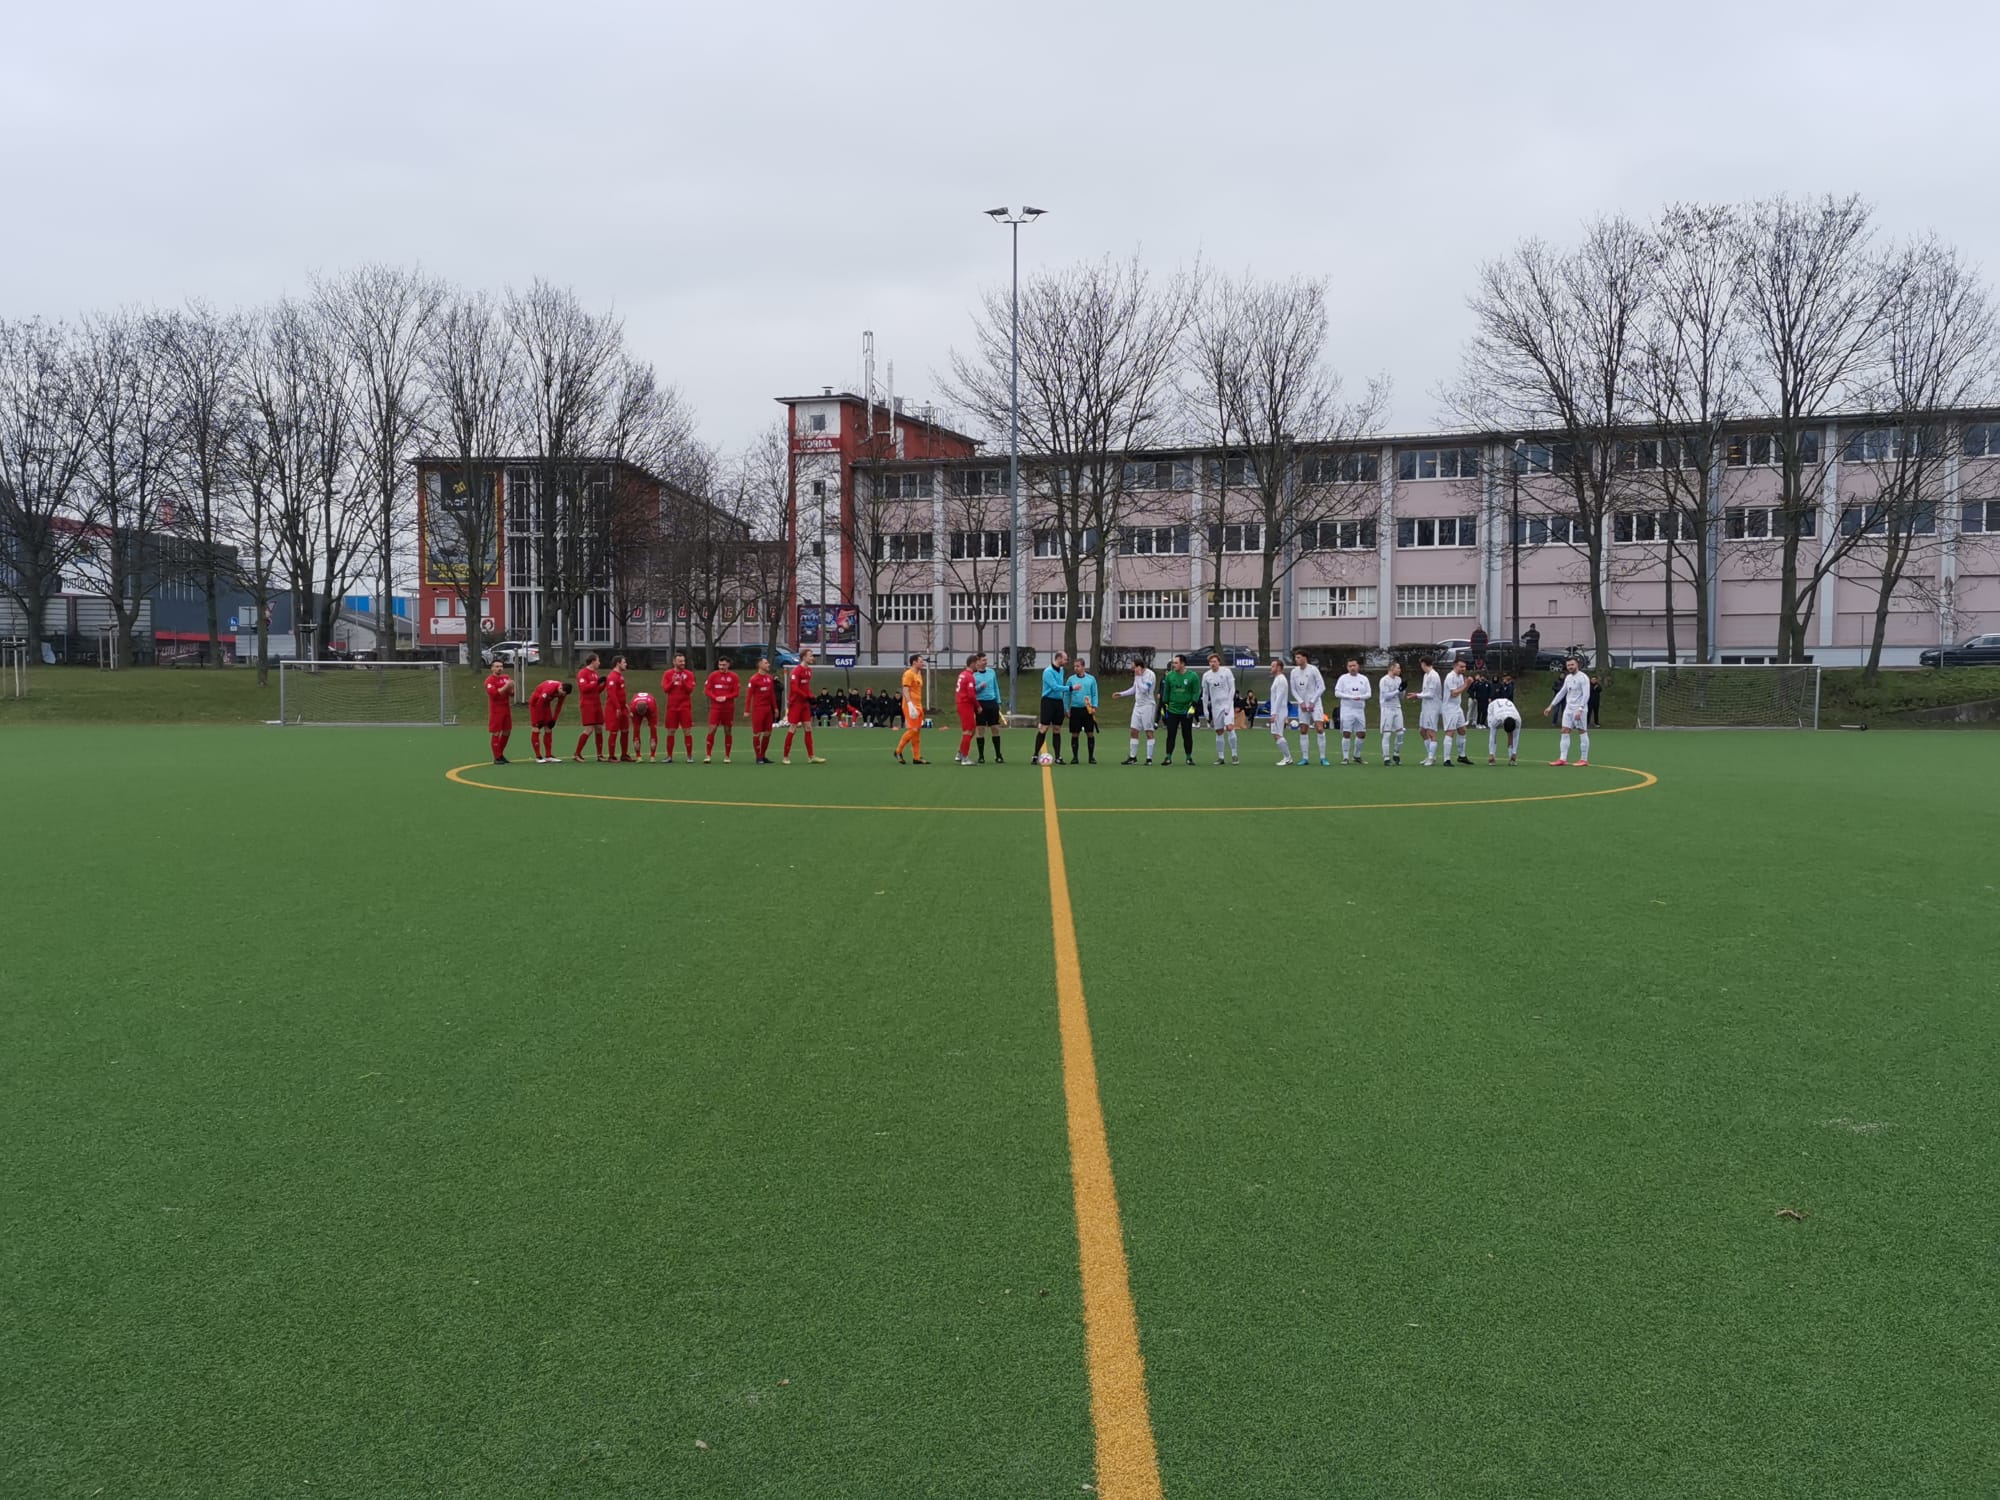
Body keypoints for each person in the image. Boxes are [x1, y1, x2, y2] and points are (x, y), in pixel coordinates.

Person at [1546, 656, 1592, 766]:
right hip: (1568, 708)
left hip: (1579, 709)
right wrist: (1551, 706)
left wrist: (1580, 709)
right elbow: (1562, 692)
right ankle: (1562, 759)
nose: (1570, 667)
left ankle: (1584, 759)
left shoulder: (1583, 678)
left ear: (1577, 665)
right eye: (1568, 665)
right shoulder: (1568, 678)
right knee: (1564, 730)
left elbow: (1586, 695)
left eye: (1572, 664)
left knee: (1582, 731)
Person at [782, 648, 825, 764]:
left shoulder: (809, 670)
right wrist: (807, 696)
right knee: (793, 728)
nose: (812, 658)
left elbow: (806, 687)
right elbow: (795, 689)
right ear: (804, 657)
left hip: (804, 703)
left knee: (808, 727)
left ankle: (811, 756)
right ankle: (785, 757)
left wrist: (812, 697)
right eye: (810, 656)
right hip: (796, 703)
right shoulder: (796, 671)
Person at [1115, 658, 1159, 765]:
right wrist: (1121, 694)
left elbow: (1144, 689)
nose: (1133, 669)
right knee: (1133, 730)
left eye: (1134, 667)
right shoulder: (1137, 675)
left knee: (1149, 732)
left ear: (1140, 666)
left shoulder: (1149, 675)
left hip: (1148, 705)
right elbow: (1135, 688)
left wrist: (1139, 676)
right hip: (1138, 705)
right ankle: (1132, 757)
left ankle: (1149, 759)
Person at [1159, 654, 1201, 765]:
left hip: (1186, 711)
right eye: (1173, 663)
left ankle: (1188, 757)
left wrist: (1193, 706)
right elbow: (1166, 692)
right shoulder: (1169, 676)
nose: (1174, 665)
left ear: (1183, 664)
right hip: (1172, 710)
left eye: (1176, 663)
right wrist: (1164, 707)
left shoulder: (1193, 676)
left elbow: (1196, 692)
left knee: (1187, 734)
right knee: (1171, 734)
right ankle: (1168, 757)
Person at [1289, 650, 1328, 766]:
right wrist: (1300, 702)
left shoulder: (1313, 670)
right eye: (1296, 658)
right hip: (1302, 705)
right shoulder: (1294, 672)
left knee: (1319, 729)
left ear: (1305, 658)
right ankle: (1305, 758)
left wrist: (1312, 701)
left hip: (1315, 703)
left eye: (1299, 657)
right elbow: (1293, 689)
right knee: (1303, 730)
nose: (1297, 660)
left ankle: (1323, 758)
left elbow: (1322, 687)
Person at [1330, 658, 1370, 765]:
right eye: (1350, 666)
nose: (1352, 668)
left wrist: (1359, 697)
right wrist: (1350, 697)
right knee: (1346, 733)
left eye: (1354, 665)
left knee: (1361, 734)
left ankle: (1356, 755)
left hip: (1359, 709)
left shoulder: (1364, 679)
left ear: (1358, 666)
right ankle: (1345, 757)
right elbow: (1337, 693)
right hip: (1347, 709)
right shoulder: (1343, 679)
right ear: (1347, 667)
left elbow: (1368, 694)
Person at [1201, 652, 1239, 765]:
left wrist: (1229, 704)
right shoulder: (1206, 676)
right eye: (1210, 662)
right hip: (1215, 707)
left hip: (1227, 704)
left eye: (1214, 661)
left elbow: (1232, 688)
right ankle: (1221, 757)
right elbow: (1205, 694)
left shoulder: (1226, 672)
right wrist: (1205, 710)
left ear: (1219, 662)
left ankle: (1234, 754)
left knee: (1229, 727)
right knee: (1219, 731)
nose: (1212, 664)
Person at [1033, 650, 1070, 763]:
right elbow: (1055, 687)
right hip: (1048, 702)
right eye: (1065, 659)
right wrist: (1071, 688)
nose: (1066, 661)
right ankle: (1035, 755)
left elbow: (1060, 688)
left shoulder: (1062, 670)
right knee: (1044, 728)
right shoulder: (1048, 672)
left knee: (1057, 729)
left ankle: (1058, 757)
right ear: (1058, 658)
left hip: (1058, 702)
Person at [703, 655, 741, 763]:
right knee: (712, 729)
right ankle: (708, 755)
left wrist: (726, 697)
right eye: (720, 665)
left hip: (728, 708)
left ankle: (727, 756)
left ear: (728, 665)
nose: (721, 667)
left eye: (724, 665)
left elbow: (736, 692)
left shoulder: (733, 676)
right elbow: (707, 690)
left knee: (728, 730)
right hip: (715, 707)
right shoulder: (713, 675)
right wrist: (715, 697)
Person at [661, 653, 697, 763]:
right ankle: (669, 756)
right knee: (671, 731)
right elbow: (665, 689)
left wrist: (683, 681)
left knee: (687, 731)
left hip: (685, 707)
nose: (683, 663)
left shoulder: (689, 674)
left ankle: (689, 756)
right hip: (672, 707)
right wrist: (673, 681)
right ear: (674, 662)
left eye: (683, 661)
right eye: (680, 661)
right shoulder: (667, 674)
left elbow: (690, 690)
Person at [895, 653, 929, 764]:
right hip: (910, 705)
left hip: (918, 705)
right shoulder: (908, 674)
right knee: (913, 729)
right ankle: (898, 751)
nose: (922, 663)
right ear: (914, 662)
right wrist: (910, 704)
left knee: (917, 730)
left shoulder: (918, 674)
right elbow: (905, 690)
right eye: (920, 661)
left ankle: (917, 757)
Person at [1066, 656, 1100, 765]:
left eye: (1078, 666)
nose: (1076, 668)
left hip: (1087, 709)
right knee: (1075, 733)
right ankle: (1075, 757)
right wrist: (1066, 708)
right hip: (1075, 709)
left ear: (1083, 667)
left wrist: (1094, 706)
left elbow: (1094, 693)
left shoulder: (1091, 679)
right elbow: (1067, 695)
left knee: (1090, 733)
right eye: (1074, 666)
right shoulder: (1071, 679)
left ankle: (1091, 757)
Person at [527, 678, 570, 763]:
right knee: (536, 728)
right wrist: (539, 720)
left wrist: (554, 720)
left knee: (548, 728)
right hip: (536, 704)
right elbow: (539, 703)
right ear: (560, 688)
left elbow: (559, 706)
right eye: (561, 694)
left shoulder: (563, 693)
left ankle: (548, 755)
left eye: (563, 695)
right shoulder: (549, 689)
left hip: (546, 705)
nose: (561, 696)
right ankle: (538, 756)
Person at [1409, 654, 1442, 766]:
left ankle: (1431, 758)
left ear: (1424, 664)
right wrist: (1417, 694)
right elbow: (1425, 692)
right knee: (1422, 731)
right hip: (1425, 707)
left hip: (1433, 708)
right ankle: (1430, 755)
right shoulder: (1426, 675)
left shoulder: (1434, 676)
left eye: (1421, 664)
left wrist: (1417, 696)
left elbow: (1431, 694)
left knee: (1431, 732)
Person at [573, 652, 606, 762]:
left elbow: (596, 691)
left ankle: (600, 755)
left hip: (596, 703)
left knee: (599, 728)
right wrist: (597, 682)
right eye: (598, 660)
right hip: (587, 704)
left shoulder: (595, 673)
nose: (599, 663)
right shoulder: (583, 673)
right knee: (589, 729)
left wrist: (603, 684)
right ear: (592, 661)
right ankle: (577, 754)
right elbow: (584, 689)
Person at [746, 656, 779, 763]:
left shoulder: (769, 678)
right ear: (760, 665)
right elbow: (749, 695)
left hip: (767, 709)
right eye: (766, 663)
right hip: (758, 709)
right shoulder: (754, 679)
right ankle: (758, 756)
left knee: (768, 733)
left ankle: (763, 755)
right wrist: (747, 710)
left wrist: (775, 708)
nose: (768, 664)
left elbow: (771, 694)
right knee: (757, 733)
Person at [972, 653, 1003, 763]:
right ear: (978, 662)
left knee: (995, 728)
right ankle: (981, 756)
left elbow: (996, 687)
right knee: (980, 729)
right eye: (983, 660)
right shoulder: (973, 675)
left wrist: (998, 702)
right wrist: (980, 687)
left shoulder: (991, 672)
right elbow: (971, 691)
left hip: (992, 702)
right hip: (980, 704)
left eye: (986, 660)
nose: (986, 662)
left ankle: (998, 755)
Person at [1441, 658, 1471, 765]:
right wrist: (1466, 684)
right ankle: (1446, 759)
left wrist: (1466, 685)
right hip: (1449, 707)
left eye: (1464, 667)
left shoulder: (1461, 676)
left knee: (1462, 730)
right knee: (1450, 732)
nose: (1464, 669)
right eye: (1461, 666)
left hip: (1457, 707)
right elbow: (1454, 693)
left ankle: (1461, 755)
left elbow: (1461, 690)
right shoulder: (1450, 677)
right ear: (1455, 666)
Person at [953, 654, 983, 765]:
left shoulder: (963, 674)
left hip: (962, 703)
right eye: (978, 663)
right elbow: (971, 695)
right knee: (968, 730)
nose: (978, 666)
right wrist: (978, 706)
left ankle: (960, 753)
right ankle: (964, 758)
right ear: (973, 663)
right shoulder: (969, 676)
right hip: (965, 704)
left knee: (972, 730)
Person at [484, 661, 513, 764]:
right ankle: (496, 757)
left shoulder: (505, 677)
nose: (499, 668)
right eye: (497, 667)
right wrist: (506, 686)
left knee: (507, 731)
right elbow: (495, 694)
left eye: (501, 666)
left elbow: (511, 693)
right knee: (496, 732)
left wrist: (512, 688)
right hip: (496, 709)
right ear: (492, 668)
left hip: (506, 708)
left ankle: (500, 754)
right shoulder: (489, 681)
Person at [1267, 659, 1296, 764]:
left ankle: (1288, 758)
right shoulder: (1277, 679)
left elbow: (1279, 697)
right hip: (1278, 710)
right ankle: (1287, 757)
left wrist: (1274, 713)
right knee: (1275, 733)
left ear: (1279, 667)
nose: (1271, 668)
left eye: (1273, 666)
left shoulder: (1281, 680)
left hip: (1279, 711)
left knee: (1277, 733)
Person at [1377, 661, 1406, 765]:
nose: (1399, 670)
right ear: (1391, 668)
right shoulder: (1384, 680)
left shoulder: (1399, 679)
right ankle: (1386, 758)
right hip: (1387, 709)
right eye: (1398, 668)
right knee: (1387, 734)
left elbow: (1401, 697)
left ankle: (1396, 754)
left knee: (1400, 733)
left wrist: (1403, 690)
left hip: (1397, 707)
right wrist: (1398, 690)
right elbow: (1386, 697)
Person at [604, 655, 631, 761]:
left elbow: (621, 694)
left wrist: (625, 706)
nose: (626, 664)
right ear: (618, 663)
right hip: (614, 708)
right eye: (624, 662)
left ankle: (624, 754)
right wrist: (618, 708)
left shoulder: (620, 676)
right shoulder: (612, 676)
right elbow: (612, 694)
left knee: (625, 731)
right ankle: (611, 756)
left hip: (622, 707)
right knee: (614, 731)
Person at [1486, 686, 1522, 764]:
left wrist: (1514, 753)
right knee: (1492, 730)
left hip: (1508, 705)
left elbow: (1516, 737)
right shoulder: (1496, 719)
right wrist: (1491, 754)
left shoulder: (1518, 720)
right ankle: (1492, 756)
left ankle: (1511, 757)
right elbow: (1492, 736)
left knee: (1511, 735)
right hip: (1493, 707)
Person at [629, 687, 659, 760]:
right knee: (636, 730)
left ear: (647, 708)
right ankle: (638, 755)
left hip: (650, 709)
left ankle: (653, 755)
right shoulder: (633, 708)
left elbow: (653, 723)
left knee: (653, 730)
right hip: (636, 711)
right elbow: (633, 719)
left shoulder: (651, 707)